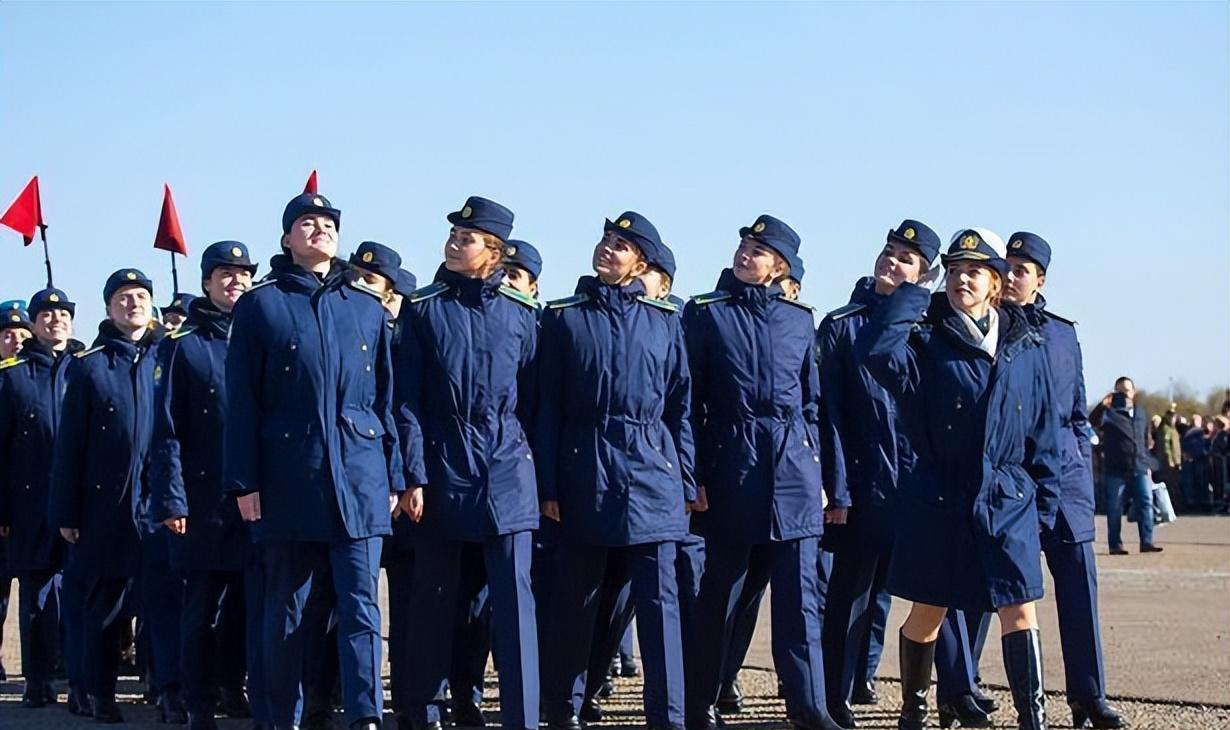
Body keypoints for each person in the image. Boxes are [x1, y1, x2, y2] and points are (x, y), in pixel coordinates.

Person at [855, 228, 1061, 730]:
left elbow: (1044, 429)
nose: (960, 280)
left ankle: (1032, 719)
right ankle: (915, 709)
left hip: (1007, 496)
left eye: (973, 271)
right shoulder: (925, 342)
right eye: (952, 271)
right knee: (929, 610)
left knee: (1019, 606)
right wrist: (913, 290)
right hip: (943, 495)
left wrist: (1046, 506)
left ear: (995, 283)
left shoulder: (1025, 344)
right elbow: (875, 352)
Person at [224, 192, 404, 730]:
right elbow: (243, 403)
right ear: (286, 239)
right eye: (307, 222)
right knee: (288, 610)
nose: (319, 229)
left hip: (360, 476)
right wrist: (244, 481)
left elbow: (386, 401)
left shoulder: (366, 306)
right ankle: (283, 715)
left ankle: (365, 714)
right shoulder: (261, 305)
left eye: (328, 223)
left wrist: (393, 476)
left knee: (361, 610)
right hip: (289, 475)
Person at [536, 211, 698, 730]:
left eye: (622, 245)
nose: (608, 248)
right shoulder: (563, 318)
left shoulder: (664, 322)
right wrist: (550, 485)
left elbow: (680, 407)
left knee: (660, 606)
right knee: (576, 601)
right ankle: (564, 707)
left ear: (641, 262)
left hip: (653, 471)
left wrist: (685, 477)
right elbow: (548, 409)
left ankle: (668, 716)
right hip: (587, 466)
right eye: (606, 239)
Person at [683, 214, 842, 730]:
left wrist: (820, 475)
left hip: (793, 473)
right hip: (733, 466)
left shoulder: (799, 319)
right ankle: (700, 700)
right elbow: (688, 402)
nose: (746, 254)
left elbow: (814, 405)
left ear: (780, 267)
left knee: (801, 603)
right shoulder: (707, 314)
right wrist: (695, 474)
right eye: (745, 246)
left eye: (759, 250)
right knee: (719, 597)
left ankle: (809, 705)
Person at [395, 196, 541, 730]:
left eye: (467, 237)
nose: (455, 243)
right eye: (453, 235)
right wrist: (413, 475)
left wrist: (534, 474)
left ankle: (521, 714)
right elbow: (406, 401)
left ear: (493, 250)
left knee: (514, 604)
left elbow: (535, 402)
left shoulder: (523, 315)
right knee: (434, 599)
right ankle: (423, 709)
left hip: (507, 473)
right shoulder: (425, 309)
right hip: (443, 469)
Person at [1005, 232, 1125, 729]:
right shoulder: (990, 328)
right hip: (1014, 482)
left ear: (1040, 279)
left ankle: (1089, 696)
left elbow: (1077, 412)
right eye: (1006, 267)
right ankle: (962, 690)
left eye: (1021, 269)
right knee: (1000, 590)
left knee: (1079, 589)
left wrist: (1078, 462)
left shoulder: (1062, 333)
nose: (1010, 277)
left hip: (1067, 481)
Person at [149, 241, 261, 730]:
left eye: (242, 275)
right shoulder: (183, 344)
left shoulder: (263, 335)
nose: (235, 282)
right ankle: (197, 702)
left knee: (248, 604)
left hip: (256, 499)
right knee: (200, 609)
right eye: (225, 275)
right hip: (201, 500)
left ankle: (233, 686)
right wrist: (171, 498)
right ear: (207, 284)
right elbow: (166, 432)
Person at [49, 269, 163, 723]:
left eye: (139, 296)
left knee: (161, 604)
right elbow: (69, 447)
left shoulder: (166, 356)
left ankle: (168, 690)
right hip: (104, 508)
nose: (131, 304)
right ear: (108, 309)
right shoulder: (91, 367)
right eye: (121, 298)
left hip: (158, 505)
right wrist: (65, 511)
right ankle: (98, 691)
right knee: (104, 608)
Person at [0, 287, 84, 708]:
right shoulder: (12, 376)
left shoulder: (87, 368)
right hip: (31, 505)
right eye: (46, 315)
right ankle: (37, 679)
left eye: (63, 315)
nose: (55, 321)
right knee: (36, 597)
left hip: (84, 504)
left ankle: (79, 679)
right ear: (33, 324)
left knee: (82, 593)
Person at [1090, 377, 1161, 554]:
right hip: (1116, 468)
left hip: (1139, 465)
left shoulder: (1141, 413)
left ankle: (1147, 541)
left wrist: (1148, 464)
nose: (1124, 395)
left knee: (1146, 503)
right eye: (1120, 391)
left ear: (1134, 392)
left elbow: (1146, 439)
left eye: (1127, 390)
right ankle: (1115, 544)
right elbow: (1092, 422)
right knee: (1115, 507)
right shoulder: (1109, 414)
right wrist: (1102, 404)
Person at [1181, 414, 1212, 511]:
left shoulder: (1194, 433)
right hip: (1196, 461)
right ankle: (1200, 503)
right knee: (1198, 483)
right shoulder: (1194, 433)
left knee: (1200, 483)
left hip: (1199, 460)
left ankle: (1200, 503)